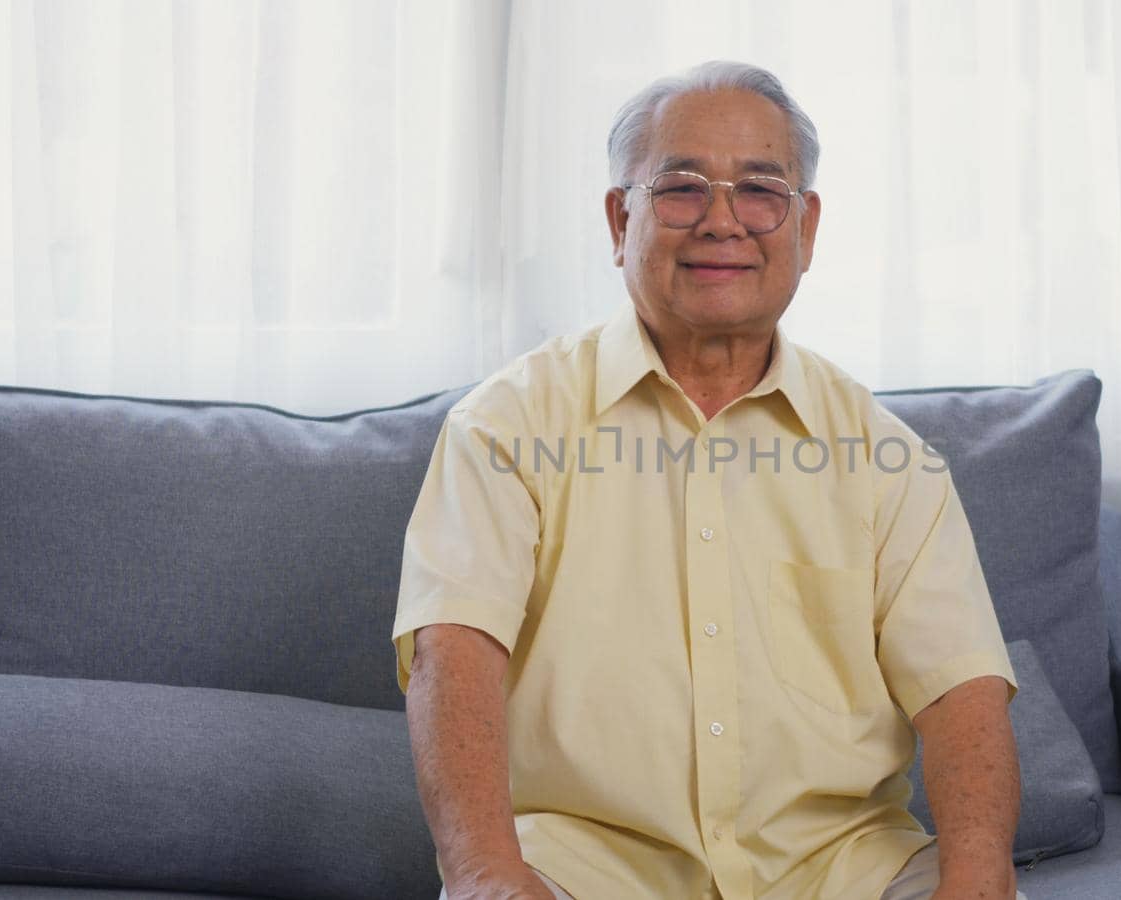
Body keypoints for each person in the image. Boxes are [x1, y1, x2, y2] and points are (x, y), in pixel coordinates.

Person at [394, 60, 1023, 900]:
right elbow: (454, 657)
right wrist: (486, 876)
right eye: (682, 188)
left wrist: (979, 882)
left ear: (806, 227)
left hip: (842, 868)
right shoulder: (506, 427)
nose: (723, 222)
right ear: (621, 220)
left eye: (761, 190)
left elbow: (961, 689)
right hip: (584, 868)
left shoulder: (886, 454)